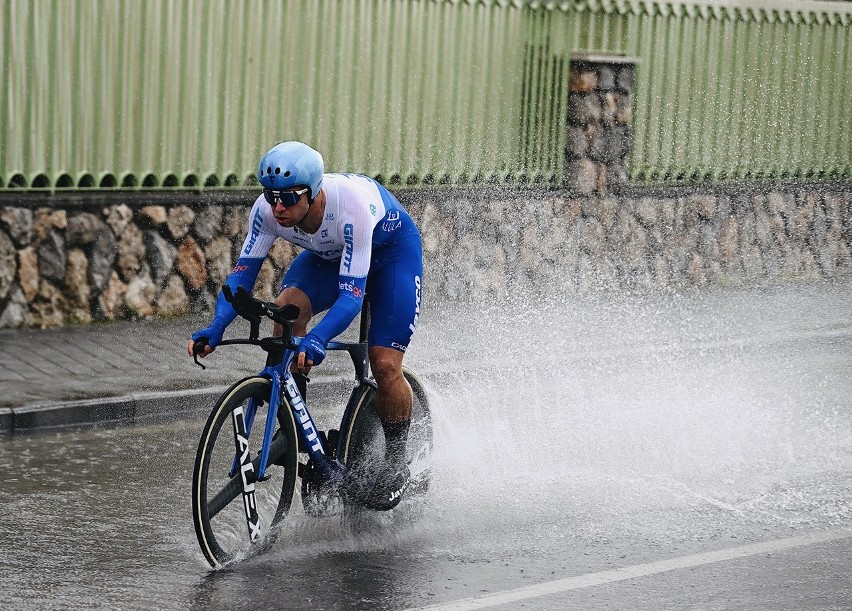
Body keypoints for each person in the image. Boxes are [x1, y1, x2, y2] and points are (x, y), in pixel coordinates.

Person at [187, 141, 422, 511]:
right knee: (285, 310)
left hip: (391, 255)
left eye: (289, 198)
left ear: (312, 193)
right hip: (331, 257)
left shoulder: (350, 207)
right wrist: (216, 327)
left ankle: (395, 460)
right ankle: (295, 426)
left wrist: (317, 338)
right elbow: (241, 277)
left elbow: (351, 299)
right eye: (270, 195)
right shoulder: (267, 211)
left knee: (384, 363)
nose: (278, 207)